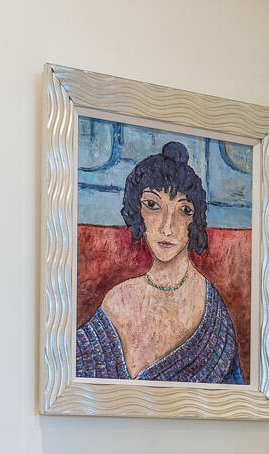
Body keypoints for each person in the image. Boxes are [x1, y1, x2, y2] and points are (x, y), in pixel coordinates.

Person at [75, 141, 244, 383]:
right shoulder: (118, 299)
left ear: (194, 221)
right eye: (152, 206)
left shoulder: (212, 315)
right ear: (137, 212)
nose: (167, 227)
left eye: (184, 209)